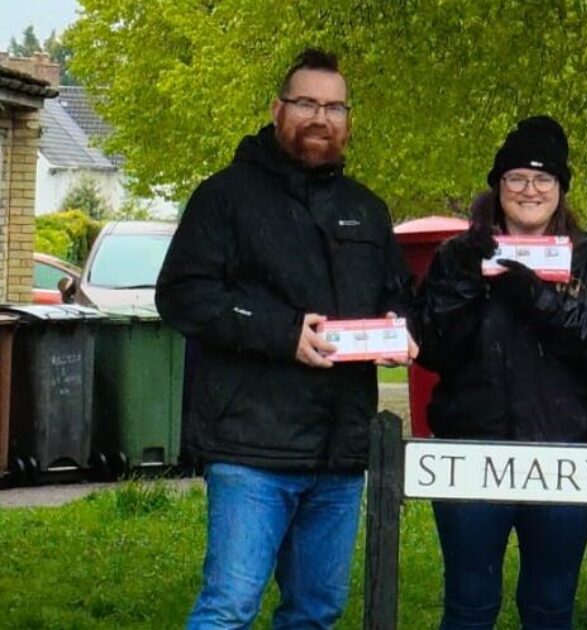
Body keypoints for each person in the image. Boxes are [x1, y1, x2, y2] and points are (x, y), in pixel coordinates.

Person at [156, 48, 417, 629]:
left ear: (348, 119)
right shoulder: (225, 197)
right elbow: (181, 294)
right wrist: (279, 332)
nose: (320, 117)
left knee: (316, 612)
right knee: (230, 607)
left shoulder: (367, 210)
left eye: (334, 107)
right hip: (252, 449)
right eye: (306, 103)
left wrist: (402, 331)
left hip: (340, 452)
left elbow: (399, 296)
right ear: (278, 109)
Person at [417, 115, 587, 629]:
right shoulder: (458, 255)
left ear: (561, 190)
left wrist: (541, 299)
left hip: (563, 456)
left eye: (544, 179)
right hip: (472, 453)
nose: (530, 190)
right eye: (517, 178)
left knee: (548, 604)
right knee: (470, 604)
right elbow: (430, 347)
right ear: (498, 186)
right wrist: (466, 287)